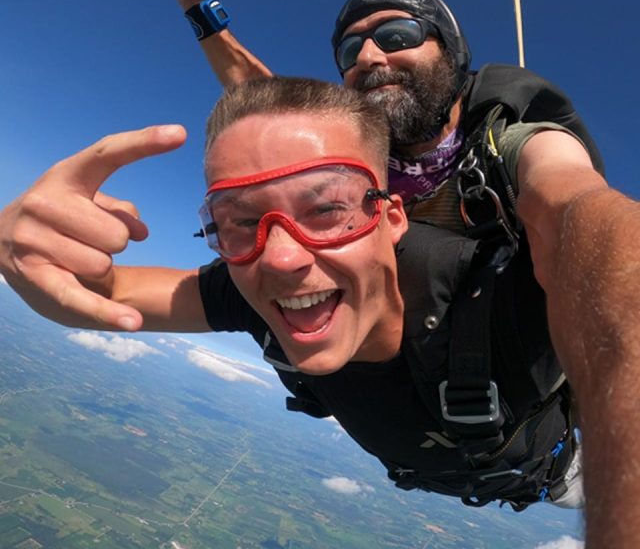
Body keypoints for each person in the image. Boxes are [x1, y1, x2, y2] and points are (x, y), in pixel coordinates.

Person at [2, 77, 640, 549]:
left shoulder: (494, 300)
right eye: (237, 221)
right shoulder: (251, 290)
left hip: (552, 474)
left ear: (390, 218)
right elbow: (96, 291)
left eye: (326, 209)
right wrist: (15, 248)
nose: (279, 259)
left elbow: (612, 280)